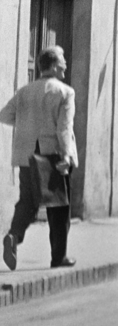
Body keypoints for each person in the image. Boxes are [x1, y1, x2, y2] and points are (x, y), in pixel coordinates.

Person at [1, 44, 78, 271]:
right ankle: (58, 257)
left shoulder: (25, 91)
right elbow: (64, 128)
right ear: (54, 66)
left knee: (28, 201)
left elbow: (4, 115)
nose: (65, 63)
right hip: (51, 155)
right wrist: (66, 156)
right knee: (59, 207)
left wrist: (28, 124)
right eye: (62, 60)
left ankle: (14, 236)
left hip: (26, 155)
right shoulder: (65, 92)